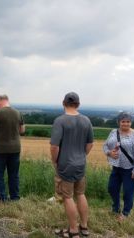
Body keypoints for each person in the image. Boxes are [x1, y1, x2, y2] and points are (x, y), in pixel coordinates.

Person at [50, 92, 93, 238]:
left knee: (67, 197)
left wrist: (55, 161)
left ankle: (73, 230)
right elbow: (90, 144)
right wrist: (81, 156)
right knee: (80, 194)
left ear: (63, 103)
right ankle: (84, 227)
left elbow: (54, 146)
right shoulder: (86, 120)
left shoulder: (60, 121)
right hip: (80, 163)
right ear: (78, 104)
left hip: (65, 165)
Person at [103, 112, 134, 222]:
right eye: (123, 121)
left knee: (128, 192)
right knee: (112, 188)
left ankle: (125, 213)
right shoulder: (113, 132)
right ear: (118, 122)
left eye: (128, 121)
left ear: (131, 122)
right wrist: (109, 153)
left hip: (129, 170)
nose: (125, 124)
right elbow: (105, 145)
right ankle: (115, 208)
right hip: (116, 167)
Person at [0, 95, 25, 202]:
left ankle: (2, 198)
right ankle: (15, 198)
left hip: (0, 149)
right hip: (16, 148)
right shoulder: (17, 112)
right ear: (8, 101)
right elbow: (22, 131)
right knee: (14, 174)